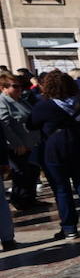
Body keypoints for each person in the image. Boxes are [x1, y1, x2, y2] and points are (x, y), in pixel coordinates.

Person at [27, 71, 80, 239]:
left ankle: (69, 228)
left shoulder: (45, 105)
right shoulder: (79, 103)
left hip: (55, 148)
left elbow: (31, 124)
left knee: (61, 189)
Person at [0, 71, 40, 209]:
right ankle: (20, 201)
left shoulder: (21, 100)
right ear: (3, 88)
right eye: (14, 86)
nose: (19, 89)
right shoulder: (3, 102)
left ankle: (30, 199)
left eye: (20, 86)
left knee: (33, 171)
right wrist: (17, 144)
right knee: (21, 173)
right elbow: (5, 126)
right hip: (17, 145)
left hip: (31, 143)